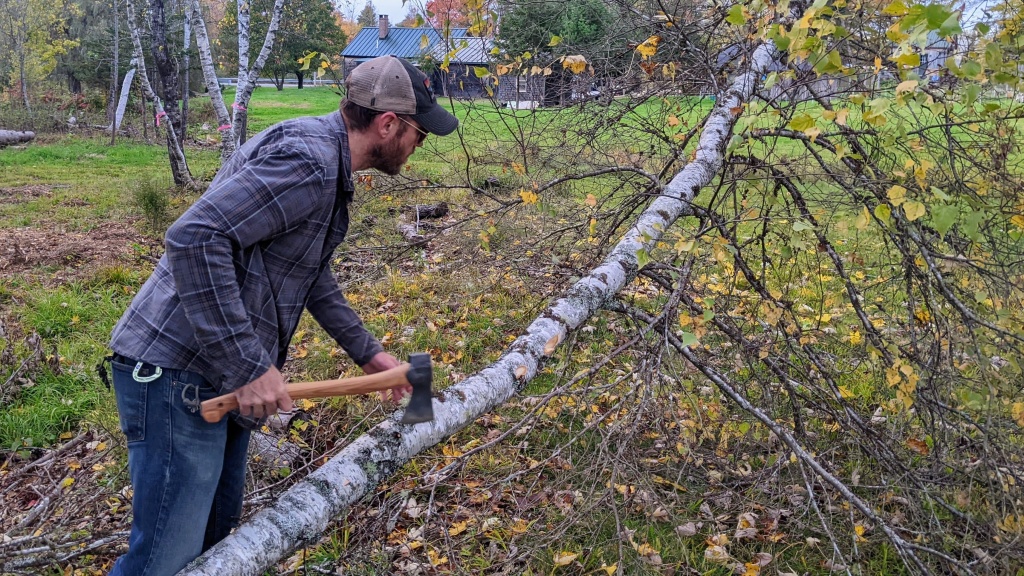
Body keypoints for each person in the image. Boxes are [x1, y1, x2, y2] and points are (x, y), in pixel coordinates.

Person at [104, 55, 458, 576]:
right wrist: (249, 365)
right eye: (419, 132)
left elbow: (308, 270)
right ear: (387, 124)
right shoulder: (309, 163)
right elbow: (194, 237)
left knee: (210, 553)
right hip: (177, 370)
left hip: (211, 373)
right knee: (163, 563)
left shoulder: (325, 158)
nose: (419, 144)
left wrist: (368, 354)